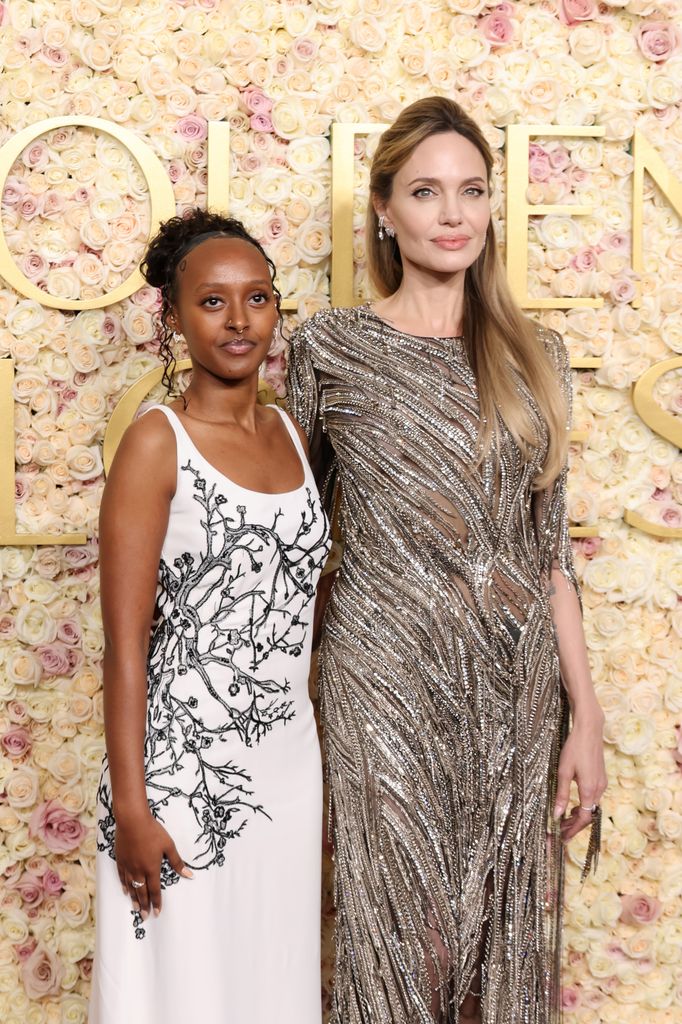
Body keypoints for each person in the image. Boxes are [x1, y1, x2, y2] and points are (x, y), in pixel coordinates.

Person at [288, 97, 607, 1024]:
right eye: (427, 192)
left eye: (472, 190)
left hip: (512, 689)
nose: (454, 213)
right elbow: (295, 538)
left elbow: (551, 559)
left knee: (494, 946)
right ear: (384, 210)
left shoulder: (533, 355)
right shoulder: (329, 346)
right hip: (379, 677)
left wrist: (584, 717)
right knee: (399, 936)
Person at [90, 210, 330, 1024]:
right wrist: (132, 806)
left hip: (289, 774)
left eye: (257, 298)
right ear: (173, 317)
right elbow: (126, 648)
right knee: (180, 997)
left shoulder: (294, 436)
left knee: (271, 986)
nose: (239, 321)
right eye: (212, 302)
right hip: (179, 780)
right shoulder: (159, 442)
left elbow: (306, 610)